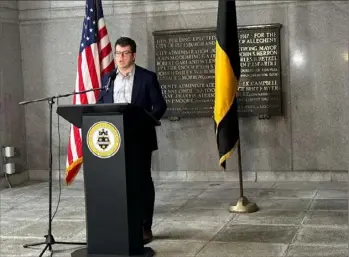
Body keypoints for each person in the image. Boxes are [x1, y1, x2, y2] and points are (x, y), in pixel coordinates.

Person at [98, 37, 167, 244]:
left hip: (139, 139)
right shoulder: (108, 79)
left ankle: (145, 226)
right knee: (118, 182)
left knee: (142, 182)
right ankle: (121, 223)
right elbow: (102, 104)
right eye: (118, 53)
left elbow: (159, 106)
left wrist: (146, 121)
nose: (120, 57)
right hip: (112, 141)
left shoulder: (147, 78)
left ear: (133, 55)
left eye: (125, 53)